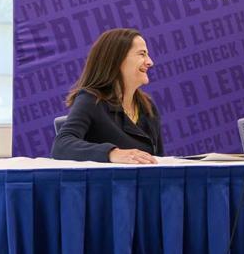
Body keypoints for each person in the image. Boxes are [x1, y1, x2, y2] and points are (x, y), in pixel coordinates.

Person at [51, 28, 163, 164]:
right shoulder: (91, 99)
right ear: (116, 59)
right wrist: (112, 153)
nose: (150, 62)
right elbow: (62, 145)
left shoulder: (148, 107)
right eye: (142, 54)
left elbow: (159, 160)